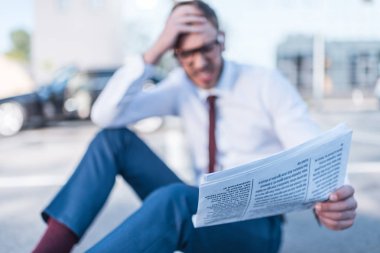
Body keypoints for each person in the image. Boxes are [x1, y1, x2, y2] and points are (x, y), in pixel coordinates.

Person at [33, 1, 357, 252]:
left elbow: (313, 146)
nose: (199, 62)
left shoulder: (264, 83)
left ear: (222, 40)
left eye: (206, 48)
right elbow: (105, 114)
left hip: (257, 230)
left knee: (175, 200)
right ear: (175, 54)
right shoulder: (180, 87)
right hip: (206, 210)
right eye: (186, 53)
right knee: (112, 140)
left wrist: (333, 198)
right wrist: (152, 52)